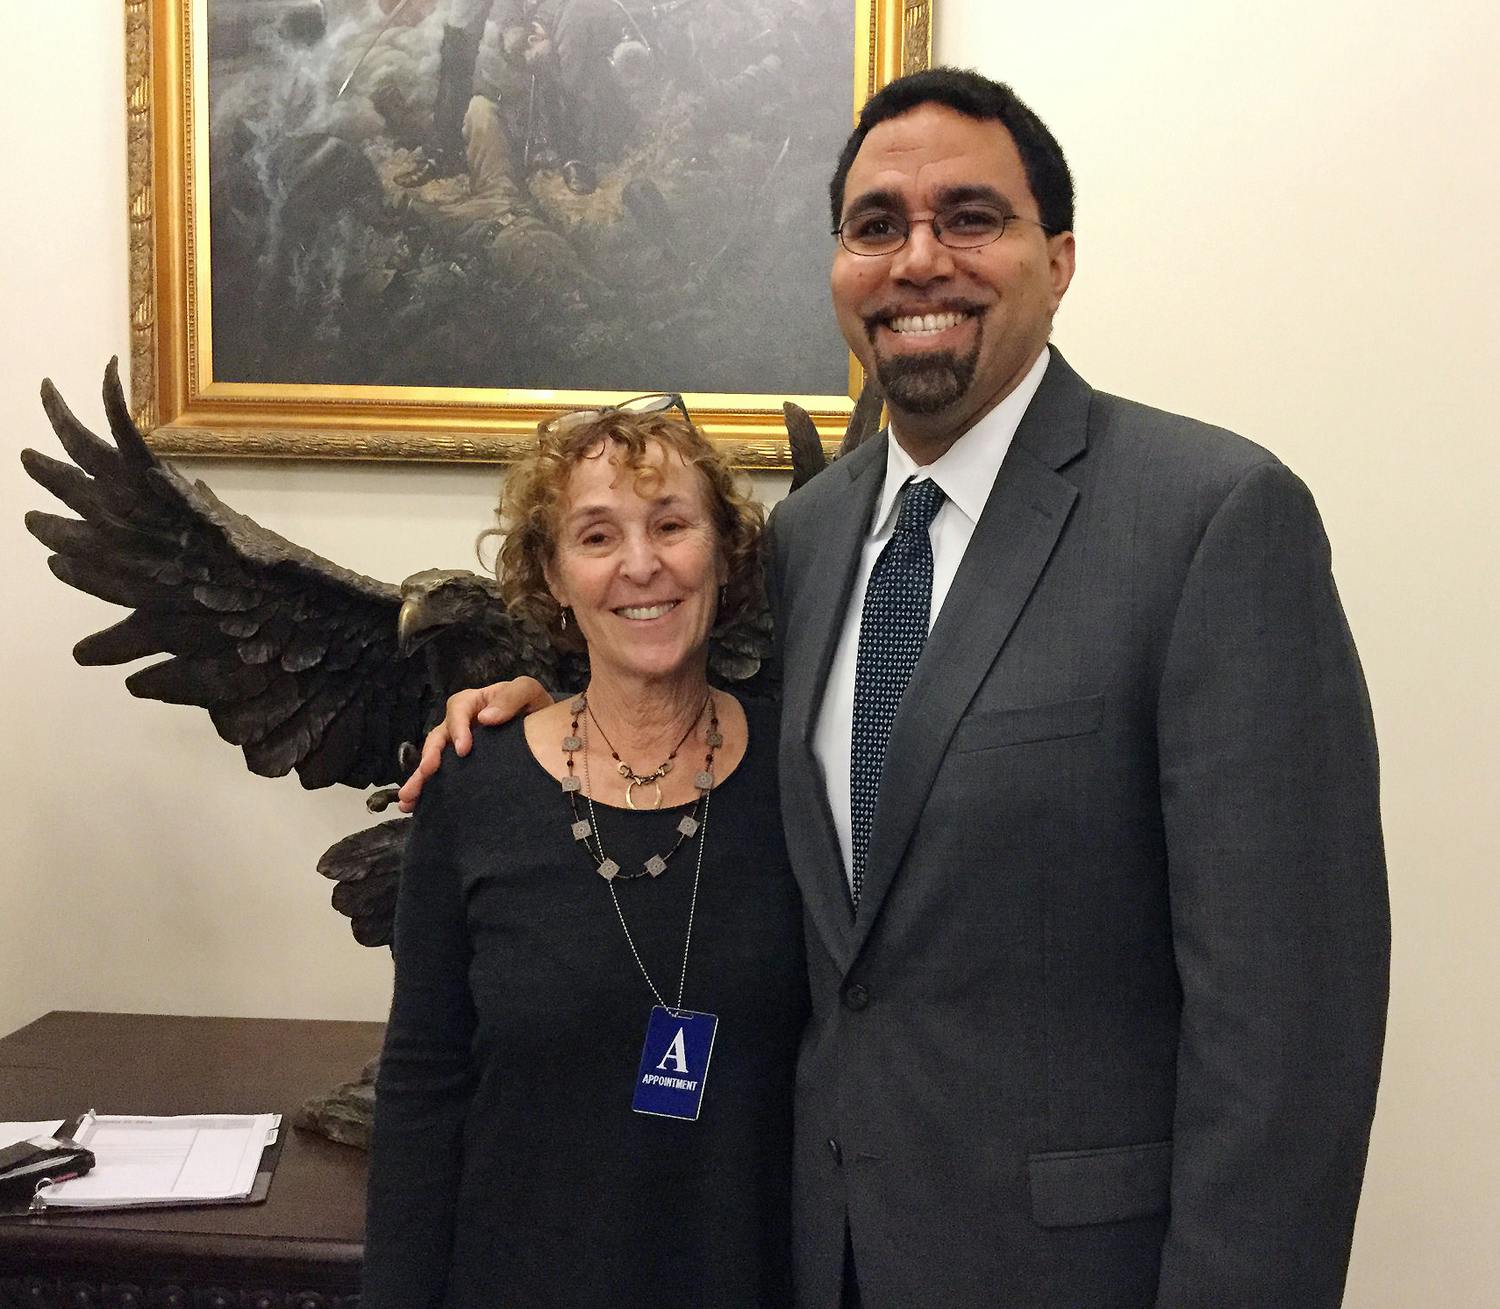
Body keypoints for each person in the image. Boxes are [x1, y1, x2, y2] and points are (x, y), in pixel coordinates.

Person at [400, 68, 1390, 1309]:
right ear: (839, 268)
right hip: (816, 1256)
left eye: (970, 217)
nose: (919, 260)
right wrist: (520, 700)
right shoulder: (807, 542)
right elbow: (675, 698)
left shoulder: (1212, 522)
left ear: (1060, 257)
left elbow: (1292, 1036)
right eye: (877, 227)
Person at [363, 403, 807, 1307]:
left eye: (672, 525)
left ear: (723, 554)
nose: (641, 564)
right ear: (553, 578)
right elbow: (423, 1085)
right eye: (597, 535)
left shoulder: (805, 776)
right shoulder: (474, 788)